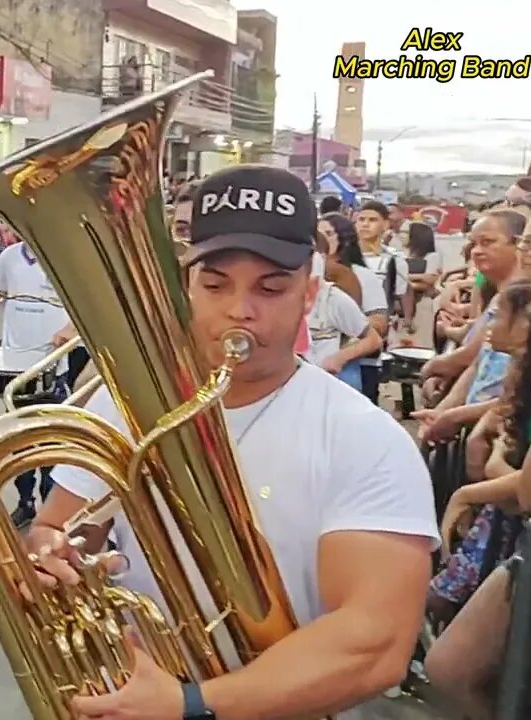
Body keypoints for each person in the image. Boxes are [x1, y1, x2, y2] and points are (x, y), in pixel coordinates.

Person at [29, 166, 438, 720]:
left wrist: (191, 705)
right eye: (216, 284)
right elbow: (55, 529)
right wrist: (52, 560)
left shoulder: (365, 438)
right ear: (187, 286)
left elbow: (373, 643)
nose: (240, 310)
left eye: (271, 288)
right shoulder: (124, 405)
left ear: (310, 293)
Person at [0, 239, 72, 528]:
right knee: (19, 444)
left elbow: (88, 305)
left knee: (50, 444)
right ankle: (25, 502)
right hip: (16, 370)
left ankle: (49, 514)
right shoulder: (9, 256)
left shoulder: (65, 256)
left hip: (52, 366)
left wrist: (70, 329)